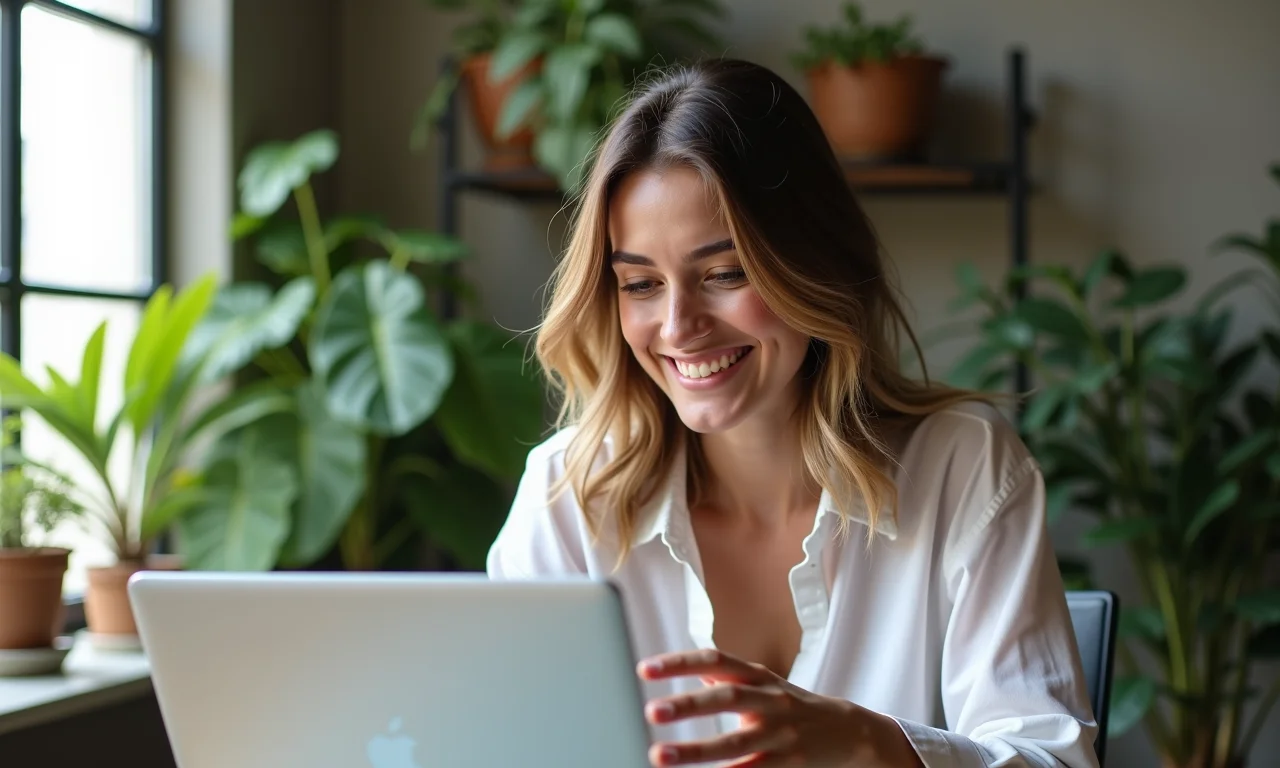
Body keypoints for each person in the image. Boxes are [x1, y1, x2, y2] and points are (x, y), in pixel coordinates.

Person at [486, 57, 1099, 768]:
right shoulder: (569, 497)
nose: (679, 326)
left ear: (812, 263)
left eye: (724, 273)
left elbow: (1053, 758)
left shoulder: (961, 468)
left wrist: (875, 745)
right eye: (641, 284)